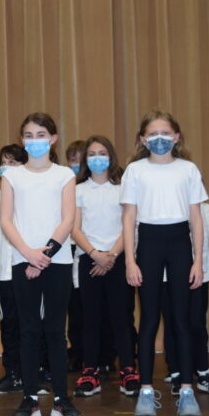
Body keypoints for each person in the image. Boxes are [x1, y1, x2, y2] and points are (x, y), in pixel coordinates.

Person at [121, 110, 207, 416]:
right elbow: (129, 217)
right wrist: (130, 260)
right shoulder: (135, 171)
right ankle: (145, 389)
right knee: (148, 321)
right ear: (143, 139)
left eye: (165, 133)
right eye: (153, 134)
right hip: (150, 242)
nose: (160, 139)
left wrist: (198, 260)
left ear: (177, 137)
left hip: (180, 241)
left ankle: (186, 389)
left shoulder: (188, 169)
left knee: (181, 320)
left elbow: (196, 217)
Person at [1, 112, 81, 416]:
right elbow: (6, 220)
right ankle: (30, 399)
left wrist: (44, 256)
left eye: (41, 134)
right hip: (23, 260)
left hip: (57, 260)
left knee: (55, 331)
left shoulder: (64, 175)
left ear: (53, 138)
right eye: (29, 135)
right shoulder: (12, 176)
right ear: (23, 140)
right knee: (29, 330)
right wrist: (29, 254)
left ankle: (62, 398)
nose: (35, 141)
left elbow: (67, 219)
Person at [70, 136, 139, 398]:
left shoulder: (122, 188)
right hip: (89, 258)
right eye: (92, 154)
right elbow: (74, 228)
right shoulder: (78, 190)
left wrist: (110, 255)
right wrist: (95, 254)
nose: (97, 158)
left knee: (121, 318)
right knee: (90, 318)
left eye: (102, 153)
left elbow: (128, 225)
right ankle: (90, 371)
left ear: (111, 156)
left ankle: (128, 370)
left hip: (118, 257)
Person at [160, 200, 209, 397]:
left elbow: (203, 238)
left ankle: (203, 373)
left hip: (197, 274)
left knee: (197, 323)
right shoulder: (162, 208)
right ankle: (176, 374)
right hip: (165, 276)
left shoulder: (204, 209)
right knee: (172, 323)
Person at [0, 144, 28, 395]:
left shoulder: (33, 196)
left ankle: (35, 371)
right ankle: (12, 372)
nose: (8, 167)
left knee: (33, 322)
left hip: (29, 269)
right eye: (4, 162)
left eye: (14, 162)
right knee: (9, 323)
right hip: (3, 272)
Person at [64, 139, 86, 372]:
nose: (76, 165)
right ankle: (76, 351)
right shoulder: (64, 185)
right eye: (72, 160)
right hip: (67, 249)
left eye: (80, 160)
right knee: (73, 308)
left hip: (90, 250)